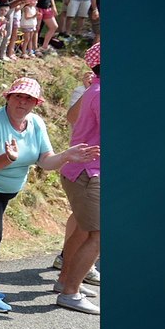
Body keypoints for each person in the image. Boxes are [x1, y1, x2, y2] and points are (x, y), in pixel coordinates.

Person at [0, 78, 99, 312]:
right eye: (18, 96)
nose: (23, 101)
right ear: (8, 97)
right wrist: (7, 157)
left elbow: (45, 160)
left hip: (4, 190)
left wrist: (66, 156)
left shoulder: (35, 124)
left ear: (36, 103)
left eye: (29, 98)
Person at [56, 42, 103, 314]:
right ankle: (70, 292)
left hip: (83, 171)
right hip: (89, 172)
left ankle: (65, 282)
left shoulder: (93, 90)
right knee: (98, 235)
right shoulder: (100, 92)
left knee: (83, 230)